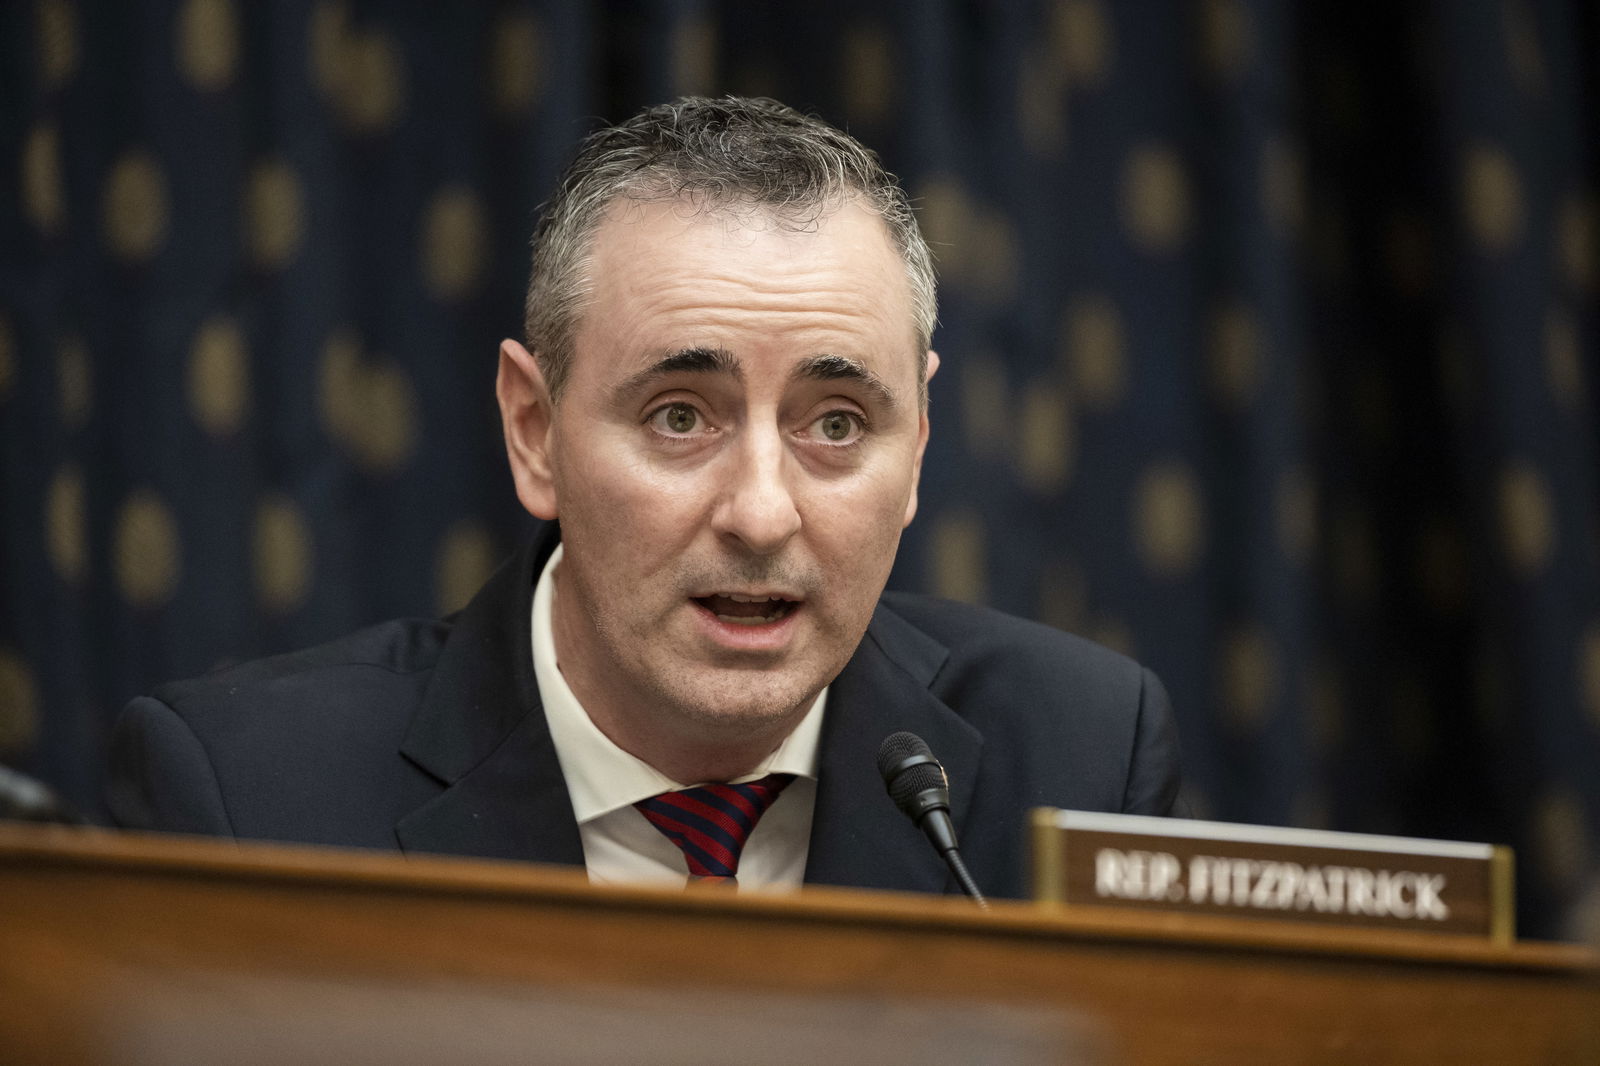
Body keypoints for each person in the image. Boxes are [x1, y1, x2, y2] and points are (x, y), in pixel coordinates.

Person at [108, 96, 1179, 899]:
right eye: (680, 416)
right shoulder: (246, 809)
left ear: (922, 444)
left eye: (836, 425)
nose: (761, 514)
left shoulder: (1081, 759)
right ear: (534, 431)